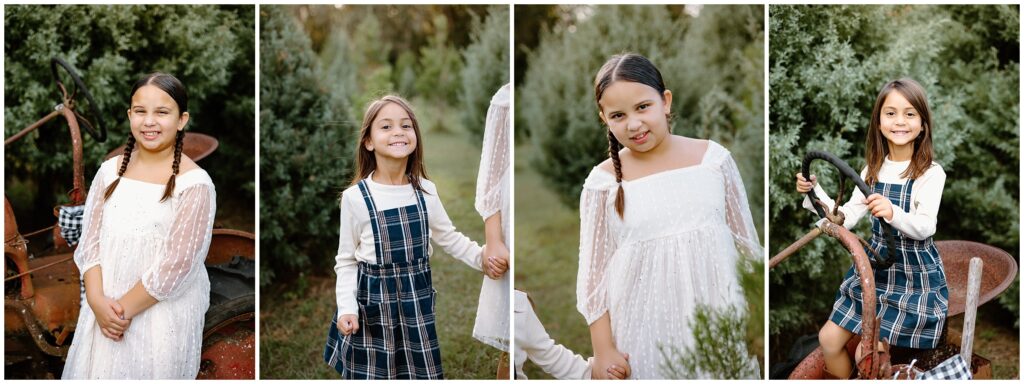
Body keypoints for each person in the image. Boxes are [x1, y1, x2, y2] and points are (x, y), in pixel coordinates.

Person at [577, 53, 762, 379]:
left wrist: (756, 317)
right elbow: (593, 277)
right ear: (604, 118)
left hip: (721, 317)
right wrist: (603, 349)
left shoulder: (713, 161)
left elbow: (747, 245)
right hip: (645, 325)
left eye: (642, 107)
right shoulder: (603, 183)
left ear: (665, 101)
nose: (633, 124)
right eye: (618, 115)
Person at [324, 95, 508, 379]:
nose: (398, 132)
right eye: (386, 126)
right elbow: (346, 260)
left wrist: (481, 257)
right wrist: (347, 307)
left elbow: (449, 237)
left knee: (416, 371)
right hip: (374, 304)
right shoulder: (356, 198)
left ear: (416, 137)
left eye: (406, 125)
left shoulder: (425, 191)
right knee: (377, 372)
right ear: (369, 142)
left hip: (415, 302)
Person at [63, 73, 215, 379]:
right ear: (130, 115)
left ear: (182, 119)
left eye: (162, 112)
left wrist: (122, 312)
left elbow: (178, 264)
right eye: (141, 111)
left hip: (155, 313)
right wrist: (97, 302)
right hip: (103, 307)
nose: (149, 121)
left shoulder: (194, 184)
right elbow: (90, 243)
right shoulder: (109, 172)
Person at [795, 78, 947, 379]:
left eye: (909, 114)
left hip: (913, 277)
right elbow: (847, 217)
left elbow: (925, 227)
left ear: (922, 124)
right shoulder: (871, 170)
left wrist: (893, 212)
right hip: (875, 270)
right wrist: (815, 193)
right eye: (890, 113)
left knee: (871, 353)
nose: (900, 121)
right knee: (828, 339)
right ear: (878, 122)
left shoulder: (930, 173)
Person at [472, 83, 513, 376]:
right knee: (512, 325)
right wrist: (494, 239)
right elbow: (492, 174)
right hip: (510, 222)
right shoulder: (505, 98)